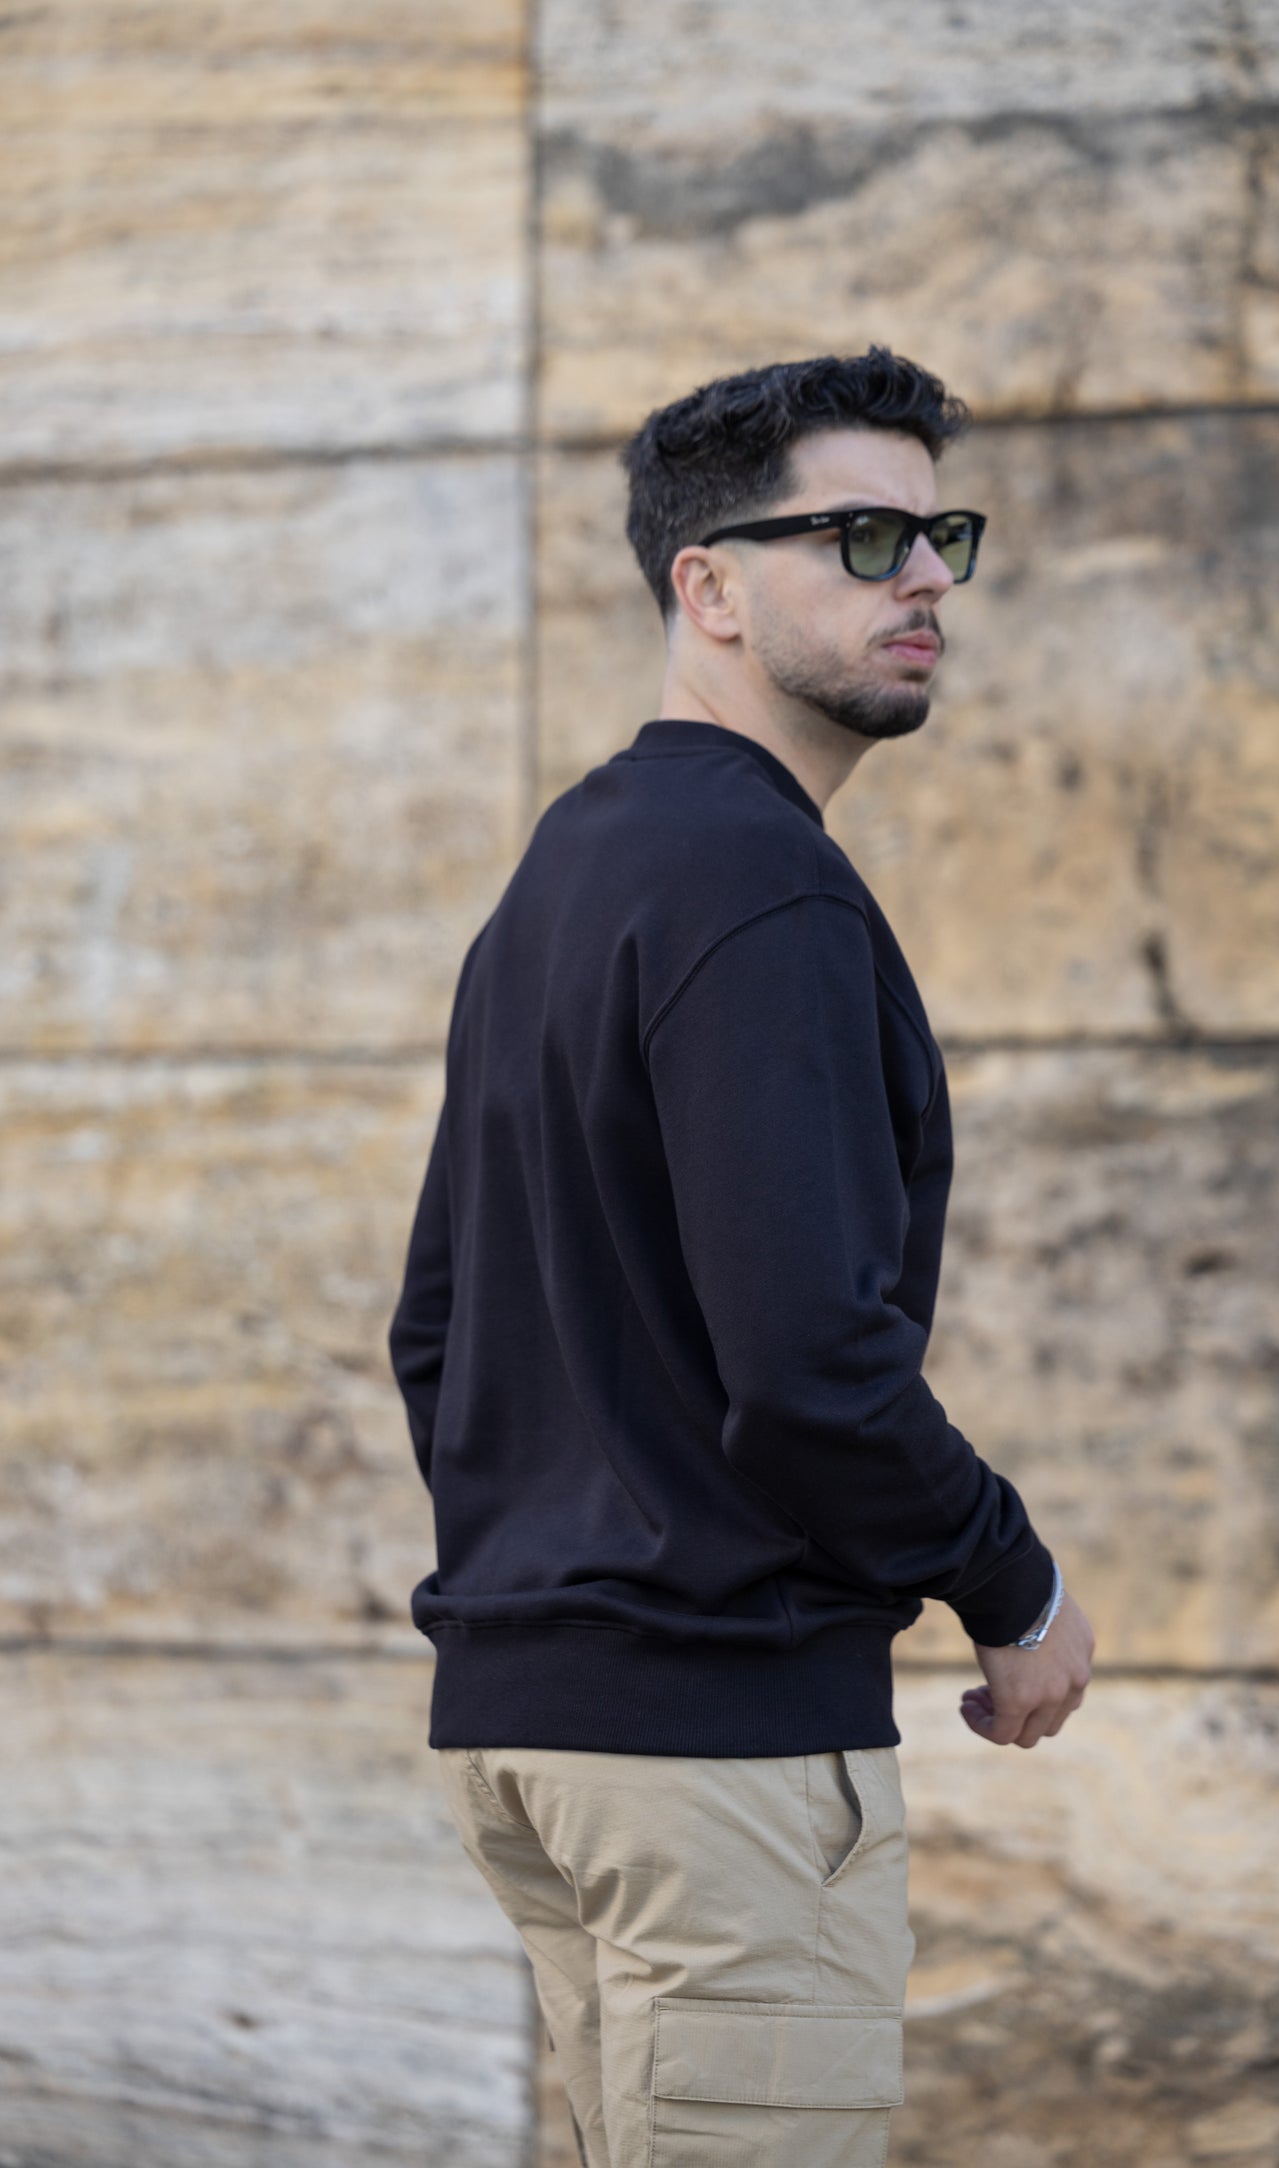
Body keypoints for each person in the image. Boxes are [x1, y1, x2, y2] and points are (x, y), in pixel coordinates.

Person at [388, 345, 1095, 2168]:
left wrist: (556, 1589)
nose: (924, 577)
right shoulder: (759, 887)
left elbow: (435, 1330)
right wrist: (1012, 1587)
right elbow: (810, 1368)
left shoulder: (573, 866)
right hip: (712, 1757)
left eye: (937, 535)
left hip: (543, 1738)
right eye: (860, 538)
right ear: (705, 587)